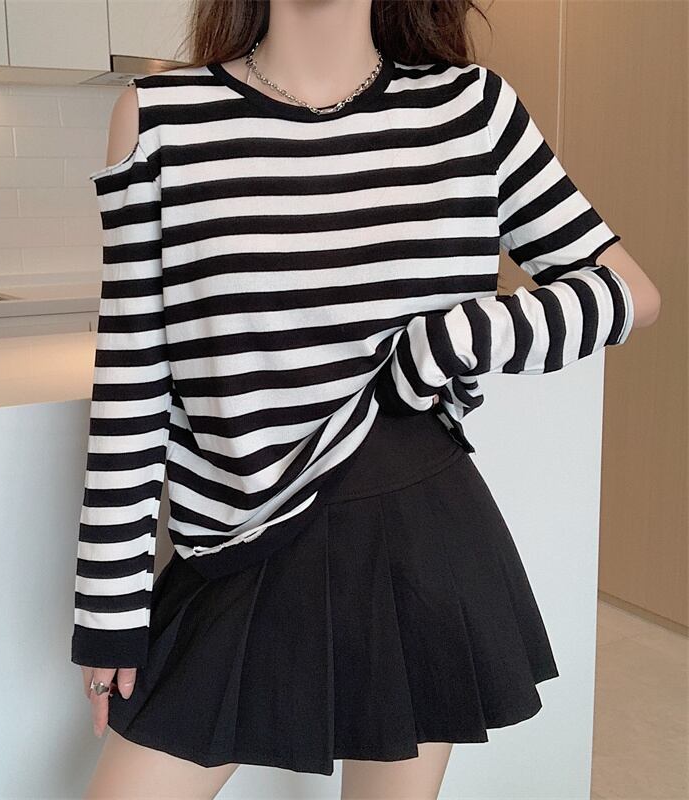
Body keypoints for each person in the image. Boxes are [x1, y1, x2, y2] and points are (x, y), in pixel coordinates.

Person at [72, 1, 661, 798]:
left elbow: (628, 292)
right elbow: (135, 373)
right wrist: (110, 608)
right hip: (242, 537)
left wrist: (454, 338)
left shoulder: (471, 108)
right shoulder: (160, 119)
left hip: (419, 530)